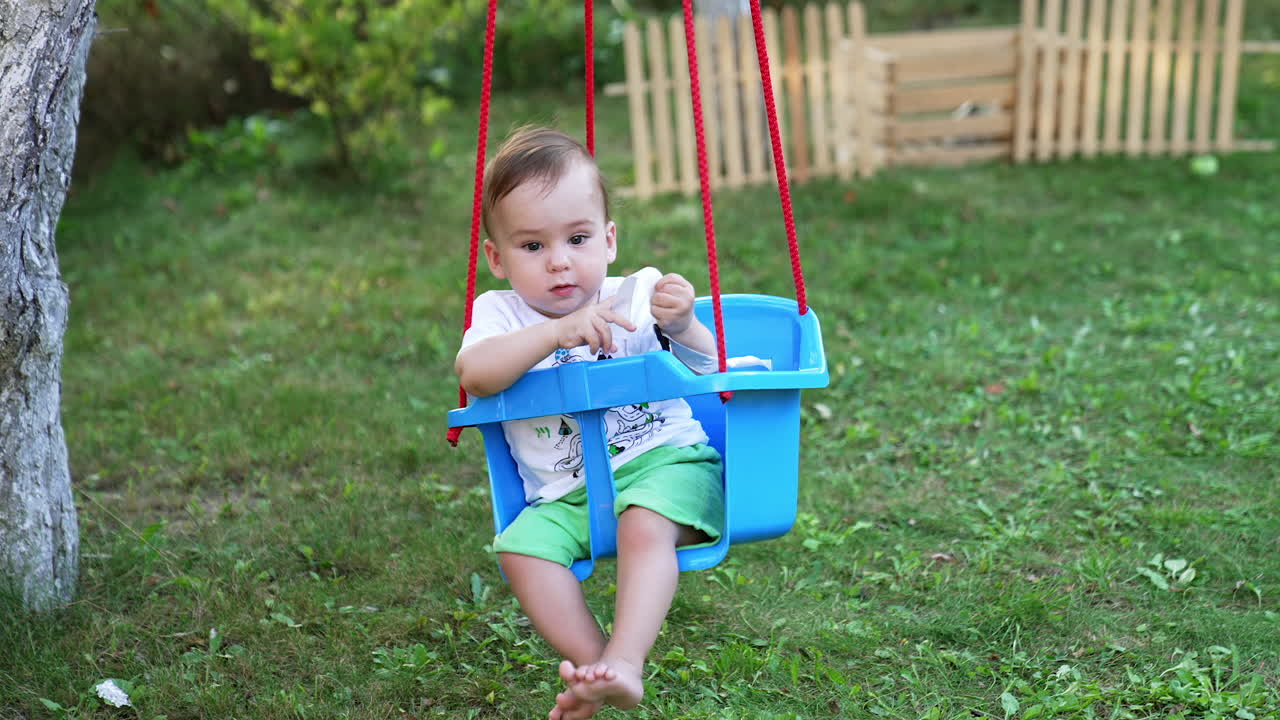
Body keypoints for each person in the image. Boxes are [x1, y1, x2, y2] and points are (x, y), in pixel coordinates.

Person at [454, 126, 724, 720]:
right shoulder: (499, 315)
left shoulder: (636, 297)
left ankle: (626, 660)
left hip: (664, 465)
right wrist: (553, 332)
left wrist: (683, 328)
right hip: (565, 494)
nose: (559, 262)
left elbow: (711, 370)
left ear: (608, 240)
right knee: (520, 549)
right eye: (531, 247)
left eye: (577, 238)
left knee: (644, 524)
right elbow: (474, 373)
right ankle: (592, 666)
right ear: (497, 259)